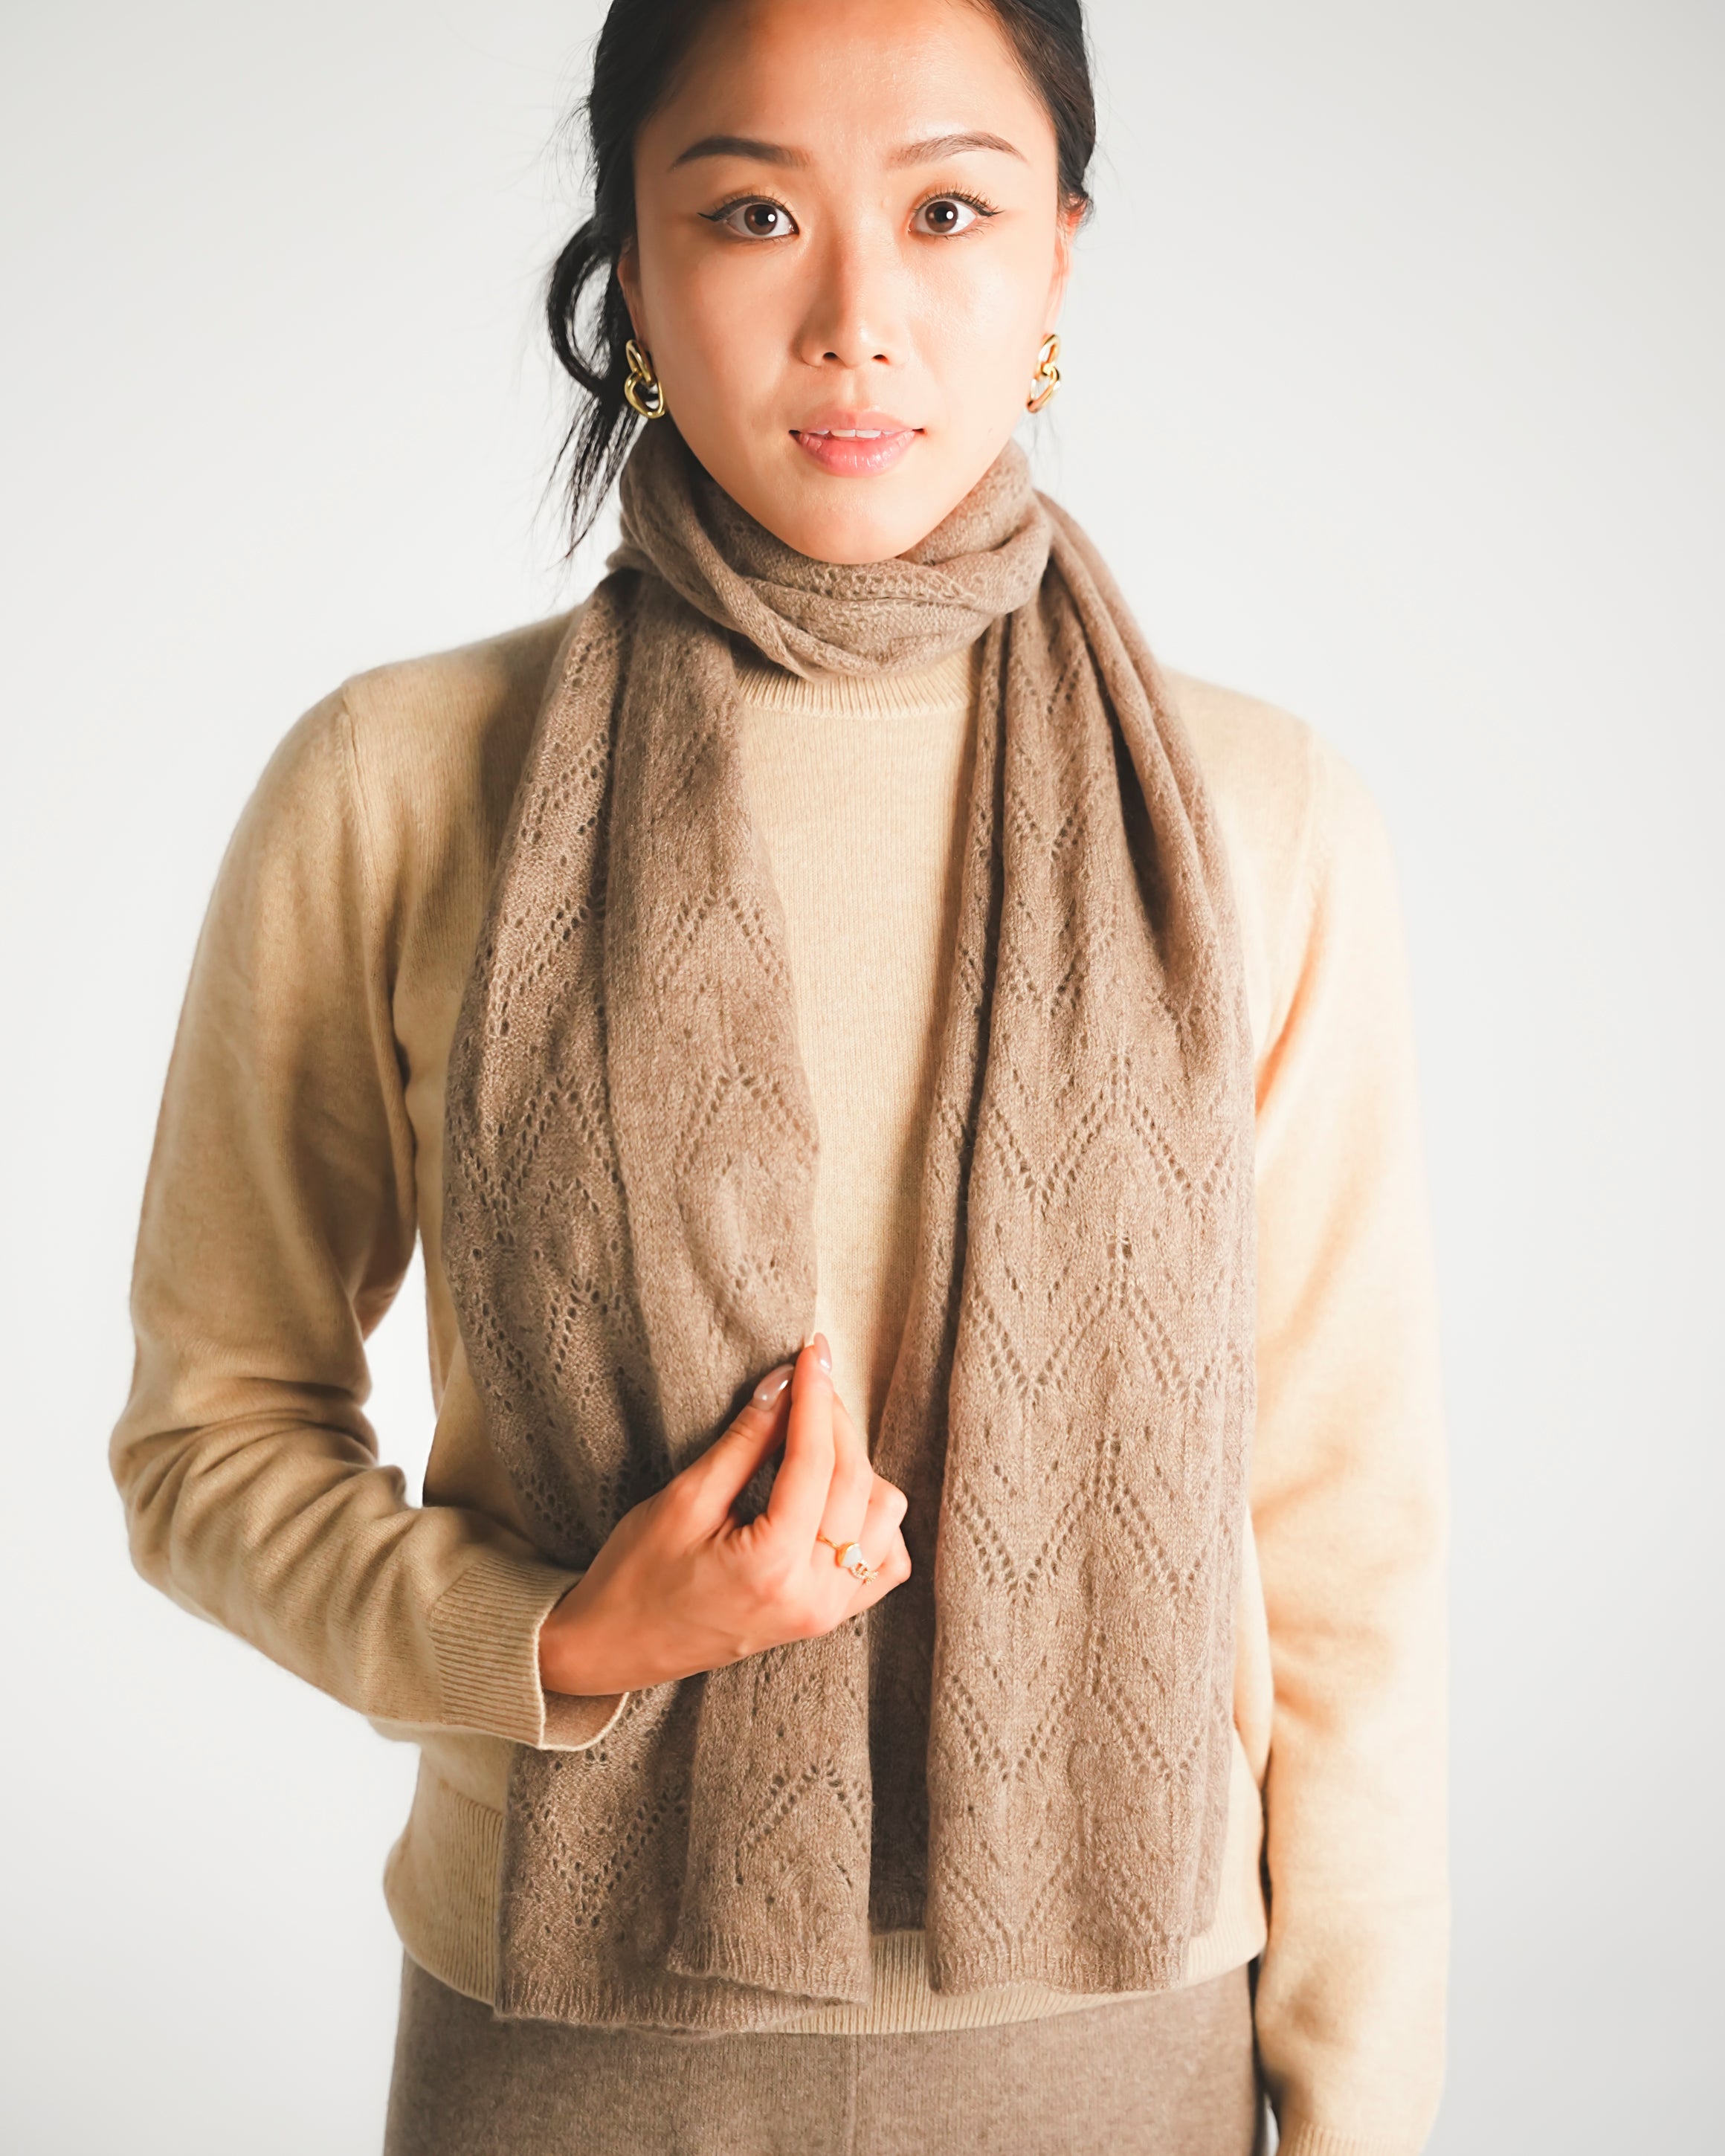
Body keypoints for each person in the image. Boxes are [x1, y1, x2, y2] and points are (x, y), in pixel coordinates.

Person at [109, 1, 1448, 2151]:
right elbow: (207, 1438)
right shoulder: (395, 783)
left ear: (1059, 259)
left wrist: (1368, 2116)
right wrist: (553, 1637)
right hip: (568, 2043)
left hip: (1111, 2047)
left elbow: (1345, 1544)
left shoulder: (1256, 818)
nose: (856, 319)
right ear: (634, 270)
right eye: (751, 215)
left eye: (948, 213)